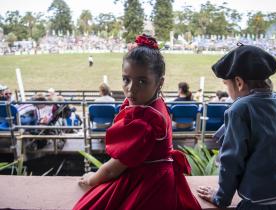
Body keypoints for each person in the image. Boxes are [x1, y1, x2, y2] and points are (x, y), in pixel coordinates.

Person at [73, 34, 201, 210]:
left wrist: (92, 178)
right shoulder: (155, 103)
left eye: (142, 81)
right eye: (126, 79)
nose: (131, 89)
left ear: (159, 83)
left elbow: (112, 169)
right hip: (163, 177)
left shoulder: (146, 122)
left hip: (148, 185)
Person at [197, 44, 276, 210]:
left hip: (263, 204)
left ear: (238, 82)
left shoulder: (240, 109)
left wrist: (220, 198)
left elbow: (231, 162)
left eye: (226, 84)